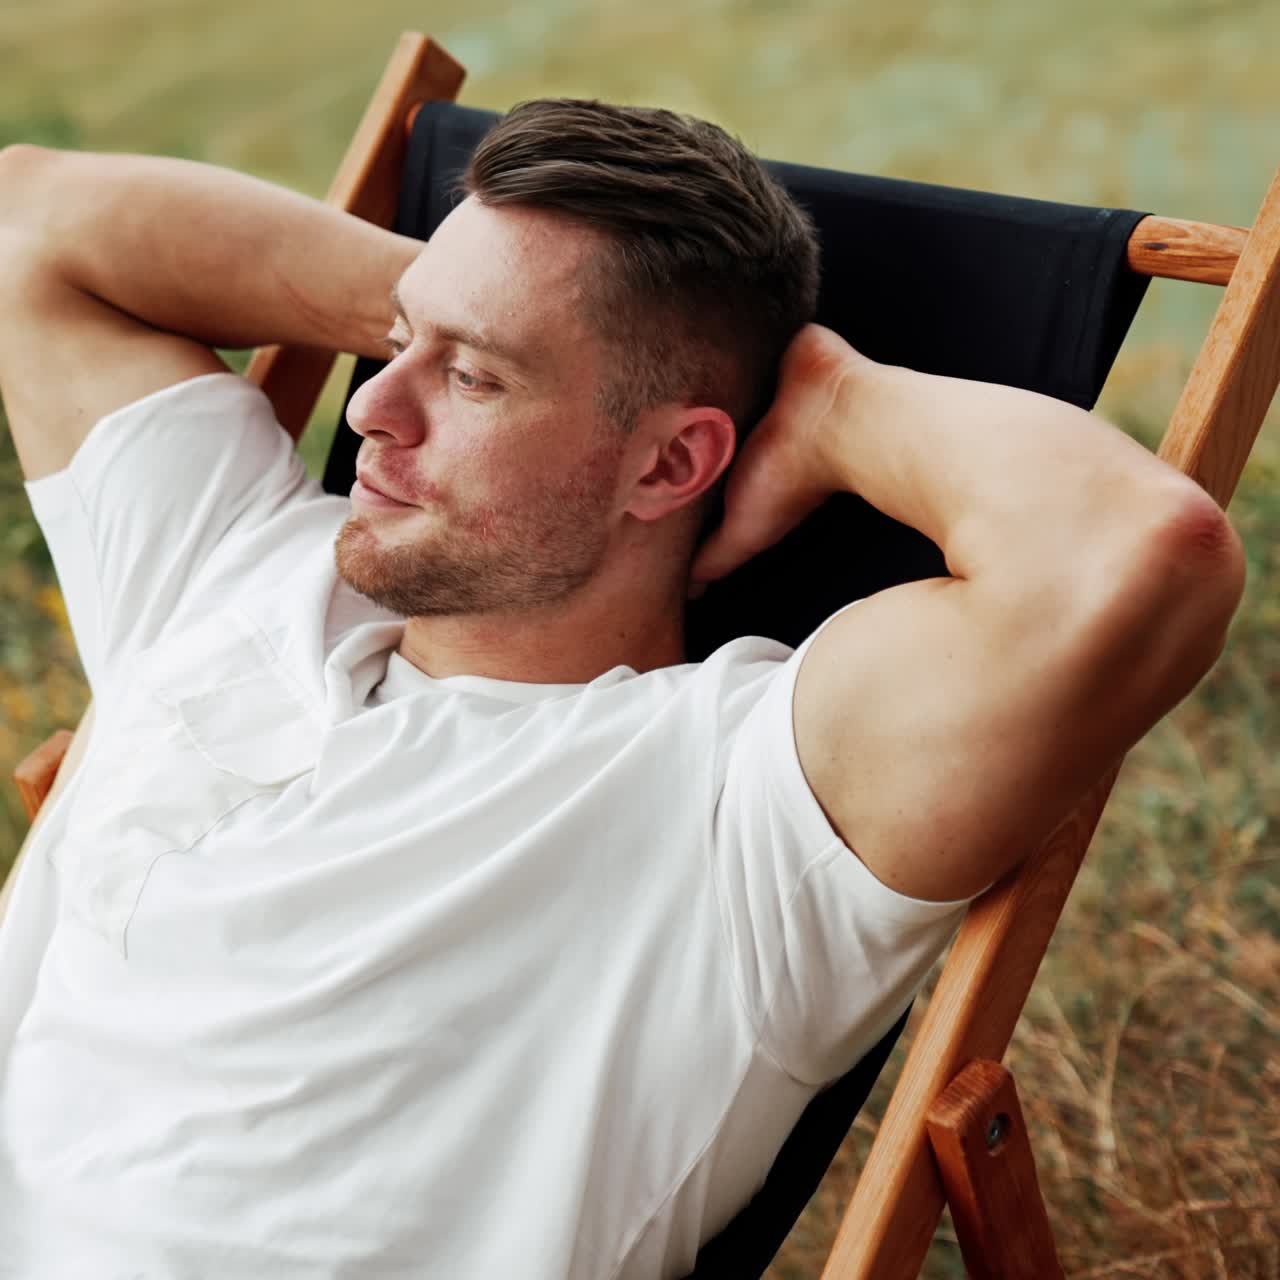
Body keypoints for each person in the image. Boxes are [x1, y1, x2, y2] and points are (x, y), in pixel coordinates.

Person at [0, 98, 1243, 1280]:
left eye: (472, 380)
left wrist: (830, 401)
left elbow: (1138, 558)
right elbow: (30, 219)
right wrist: (460, 311)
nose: (374, 406)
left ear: (671, 461)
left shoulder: (738, 799)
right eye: (396, 343)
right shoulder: (230, 564)